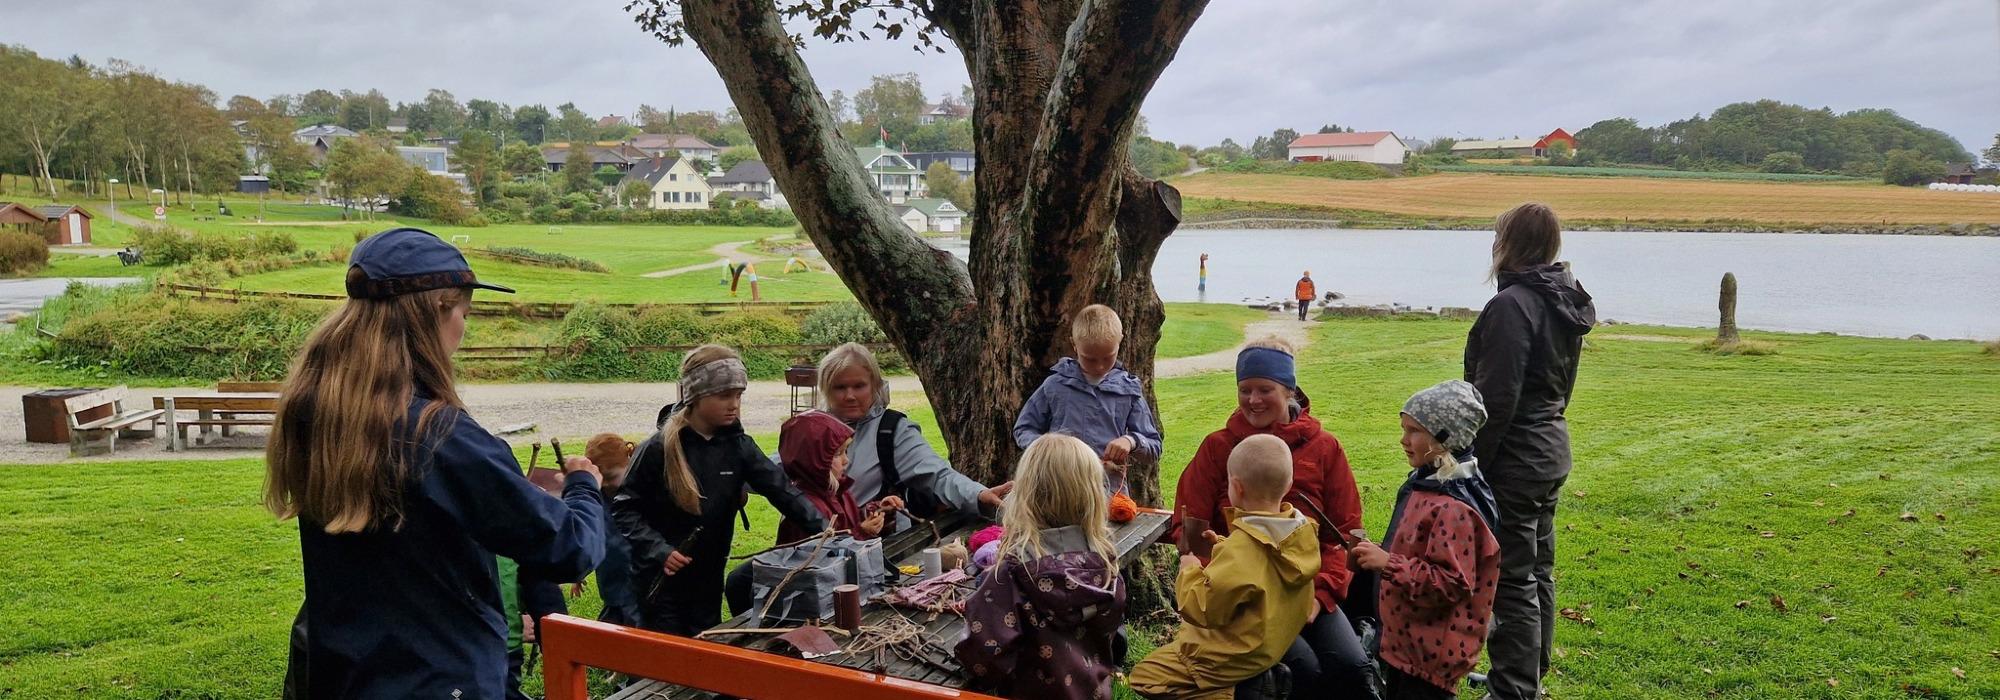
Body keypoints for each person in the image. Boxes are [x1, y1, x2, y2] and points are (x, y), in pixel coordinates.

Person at [264, 227, 606, 698]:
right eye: (464, 311)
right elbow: (568, 548)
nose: (464, 327)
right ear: (438, 310)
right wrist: (585, 486)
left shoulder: (316, 412)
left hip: (348, 673)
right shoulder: (437, 436)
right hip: (440, 676)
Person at [1171, 338, 1377, 698]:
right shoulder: (1217, 447)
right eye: (1244, 389)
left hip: (1308, 588)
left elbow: (1349, 533)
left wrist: (1322, 594)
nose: (1254, 400)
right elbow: (1191, 527)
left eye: (1265, 389)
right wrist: (1215, 590)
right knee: (1300, 672)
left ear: (1289, 390)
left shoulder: (1325, 448)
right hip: (1244, 598)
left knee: (1350, 667)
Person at [1463, 203, 1596, 700]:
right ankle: (1525, 676)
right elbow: (1562, 389)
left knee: (1513, 579)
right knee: (1537, 567)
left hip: (1518, 457)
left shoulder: (1513, 305)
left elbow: (1496, 397)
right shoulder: (1562, 300)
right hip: (1550, 448)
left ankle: (1515, 687)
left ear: (1508, 243)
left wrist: (1473, 464)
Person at [612, 345, 828, 636]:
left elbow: (783, 491)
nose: (734, 404)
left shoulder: (739, 447)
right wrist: (659, 550)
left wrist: (828, 531)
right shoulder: (658, 448)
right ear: (696, 396)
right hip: (660, 581)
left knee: (703, 655)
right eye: (724, 395)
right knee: (662, 662)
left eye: (739, 395)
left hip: (708, 579)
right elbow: (625, 508)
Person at [1130, 434, 1320, 700]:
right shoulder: (1301, 531)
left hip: (1233, 656)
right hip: (1270, 644)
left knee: (1145, 678)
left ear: (1236, 488)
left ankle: (1235, 691)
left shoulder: (1241, 551)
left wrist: (1188, 568)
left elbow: (1202, 609)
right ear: (1288, 484)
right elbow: (1263, 564)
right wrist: (1222, 544)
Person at [1350, 380, 1502, 699]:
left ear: (1445, 437)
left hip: (1431, 655)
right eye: (1404, 428)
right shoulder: (1430, 482)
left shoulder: (1454, 508)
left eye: (1415, 431)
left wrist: (1388, 563)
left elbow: (1451, 583)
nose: (1404, 440)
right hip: (1409, 644)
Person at [955, 434, 1127, 700]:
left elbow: (984, 657)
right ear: (1093, 496)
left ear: (1024, 494)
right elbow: (1111, 630)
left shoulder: (1010, 574)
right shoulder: (1106, 564)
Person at [723, 410, 902, 616]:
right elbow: (821, 559)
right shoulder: (804, 508)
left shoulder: (837, 492)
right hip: (807, 604)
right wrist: (862, 532)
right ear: (814, 459)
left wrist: (877, 511)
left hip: (833, 594)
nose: (846, 461)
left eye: (846, 451)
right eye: (837, 454)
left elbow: (846, 524)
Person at [817, 342, 1010, 528]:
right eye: (840, 387)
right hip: (808, 547)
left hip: (876, 547)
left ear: (875, 385)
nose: (850, 396)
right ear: (826, 389)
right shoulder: (810, 430)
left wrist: (977, 495)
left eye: (859, 386)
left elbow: (937, 476)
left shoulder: (890, 430)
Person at [1012, 303, 1163, 498]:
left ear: (1120, 342)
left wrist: (1131, 440)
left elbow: (1153, 446)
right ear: (1074, 346)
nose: (1100, 366)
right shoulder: (1055, 385)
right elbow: (1023, 429)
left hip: (1108, 496)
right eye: (1090, 359)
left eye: (1108, 357)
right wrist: (1050, 449)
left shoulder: (1129, 391)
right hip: (1058, 492)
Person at [585, 432, 641, 628]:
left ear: (629, 466)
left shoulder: (637, 496)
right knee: (613, 620)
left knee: (635, 626)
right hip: (611, 579)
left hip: (636, 581)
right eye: (600, 479)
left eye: (611, 477)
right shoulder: (596, 498)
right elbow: (590, 537)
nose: (606, 484)